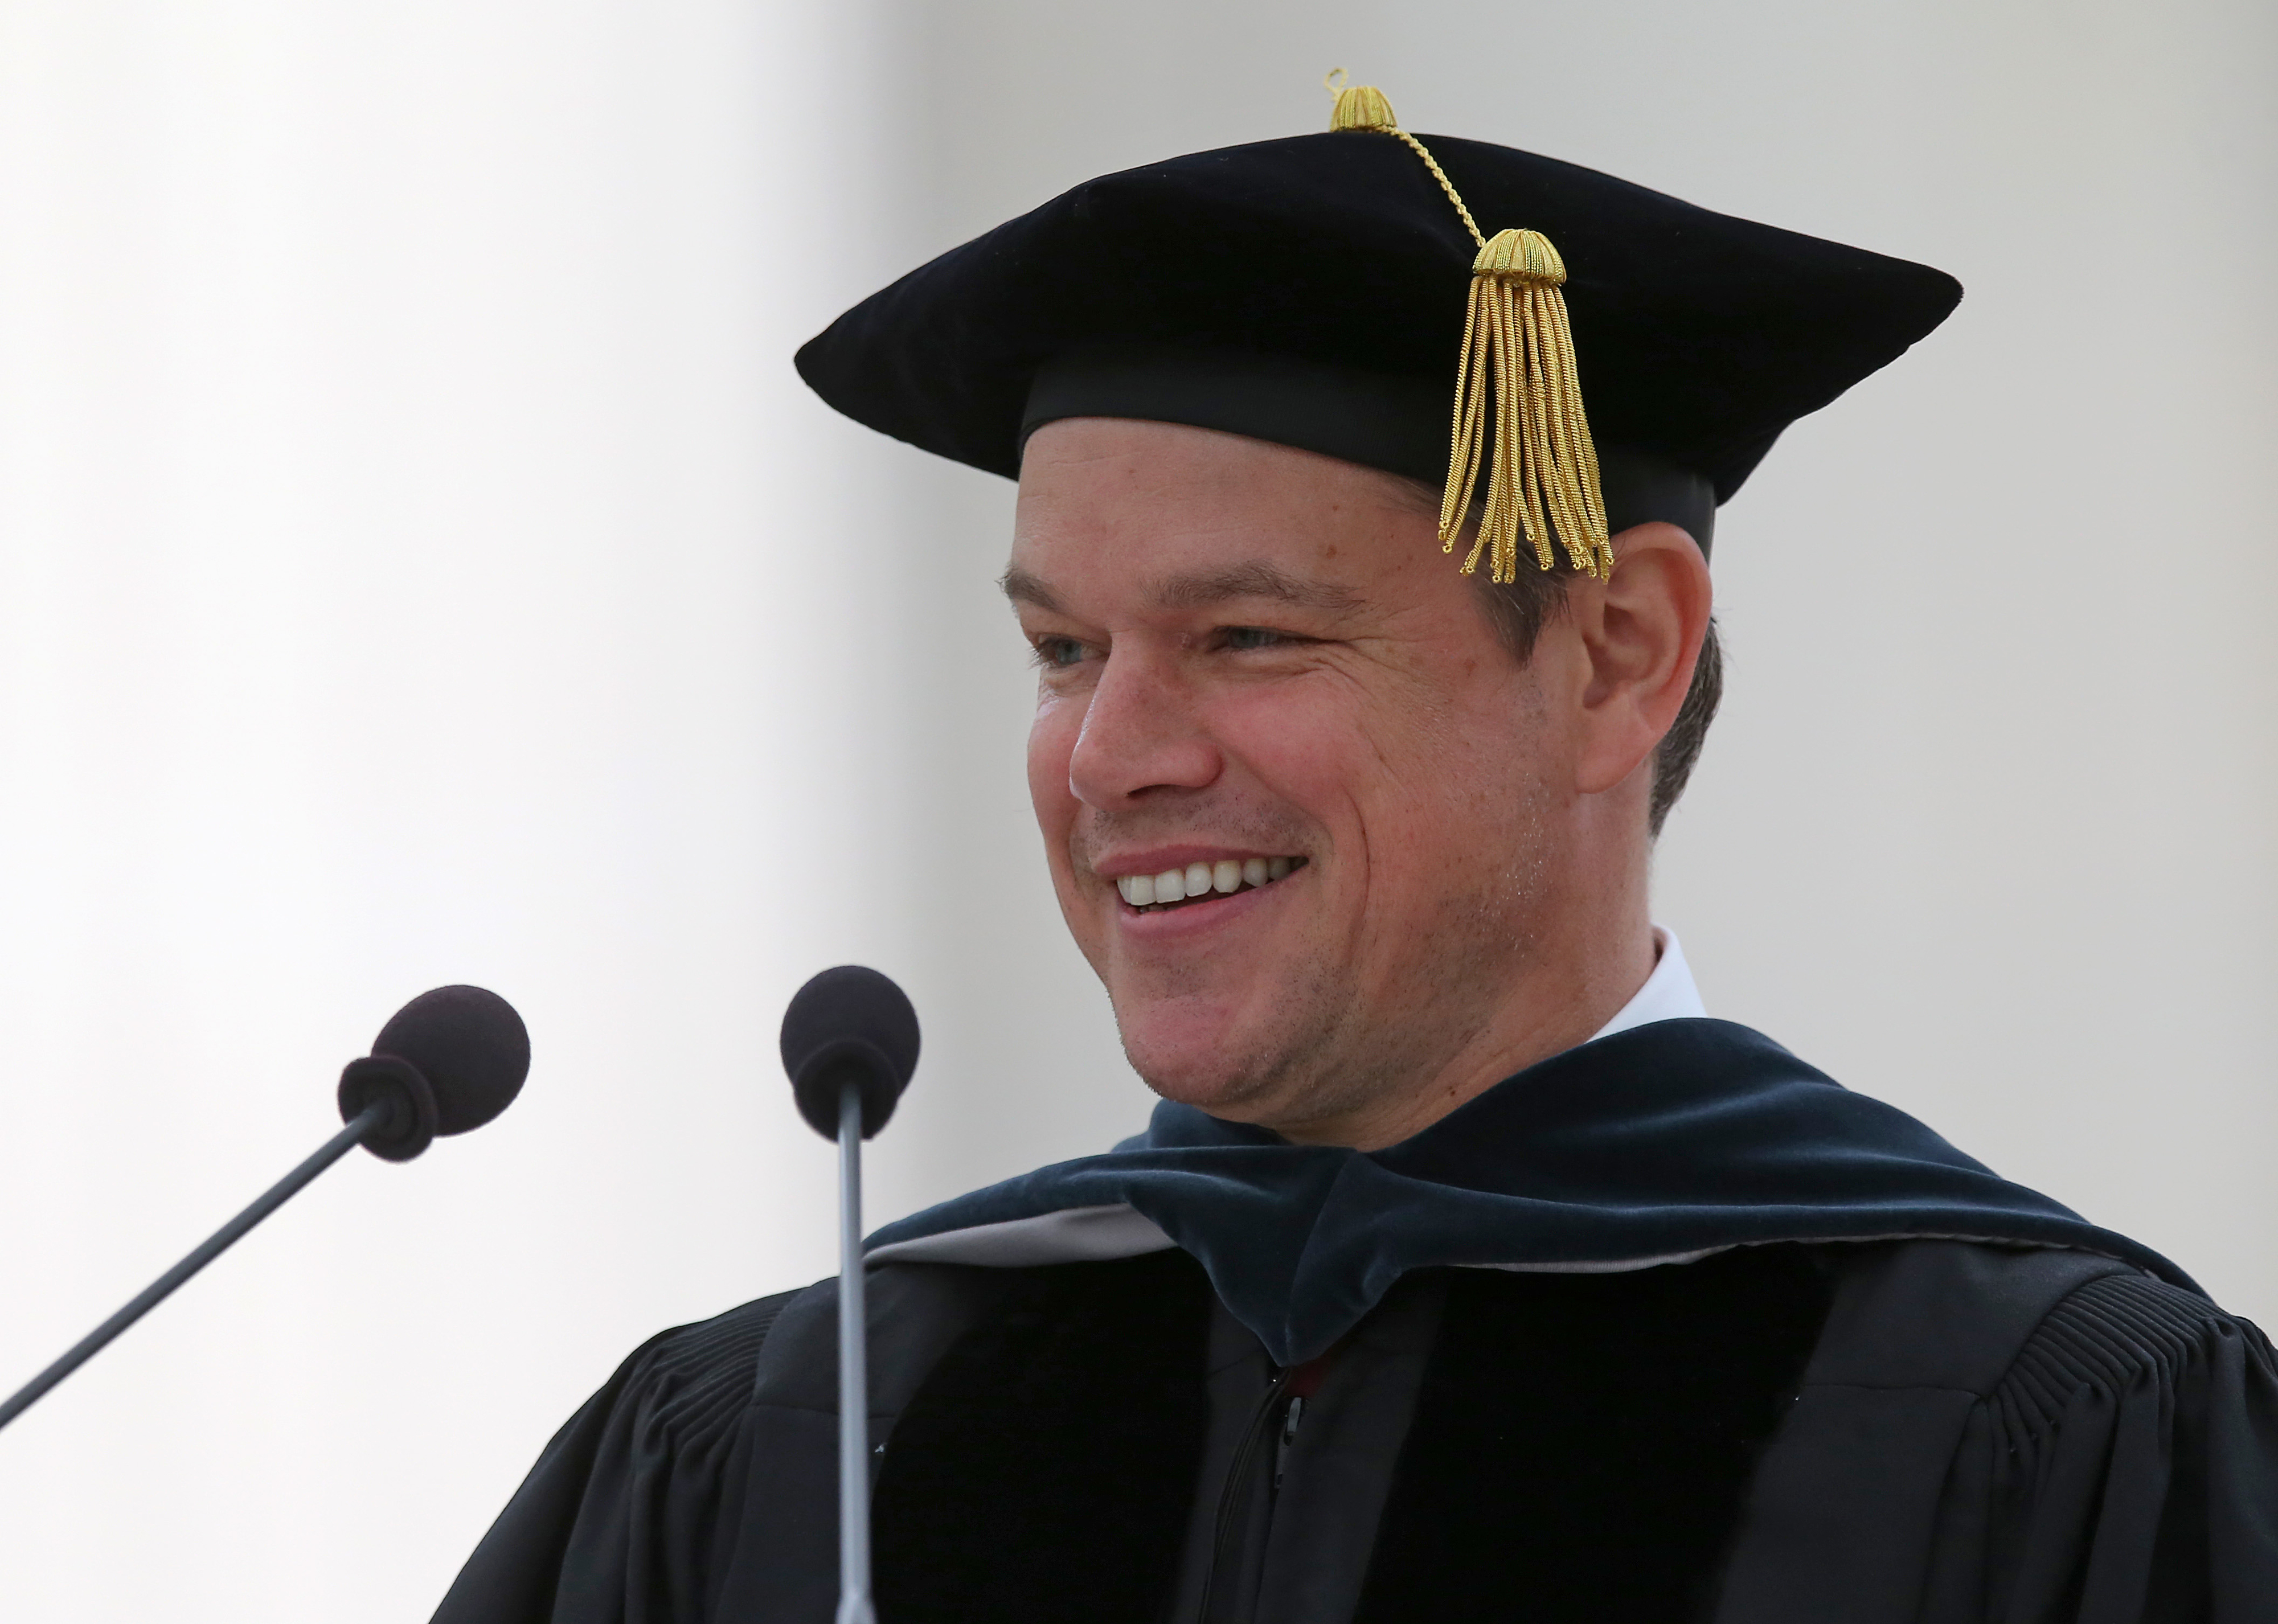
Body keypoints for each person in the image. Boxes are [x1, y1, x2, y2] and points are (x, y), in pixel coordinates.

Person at [432, 80, 2278, 1623]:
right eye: (1063, 650)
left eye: (1247, 636)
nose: (1110, 755)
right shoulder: (787, 1438)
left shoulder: (2044, 1422)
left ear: (1618, 654)